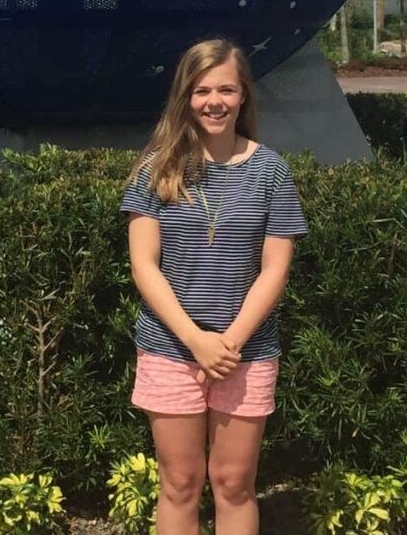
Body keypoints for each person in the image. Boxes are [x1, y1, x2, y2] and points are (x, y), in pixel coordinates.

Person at [120, 37, 308, 535]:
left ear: (243, 95)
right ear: (185, 97)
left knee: (234, 483)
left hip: (246, 353)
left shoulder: (271, 171)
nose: (214, 102)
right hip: (169, 349)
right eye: (202, 90)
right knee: (179, 483)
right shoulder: (155, 169)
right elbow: (144, 266)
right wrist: (195, 340)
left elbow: (275, 269)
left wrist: (228, 344)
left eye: (226, 89)